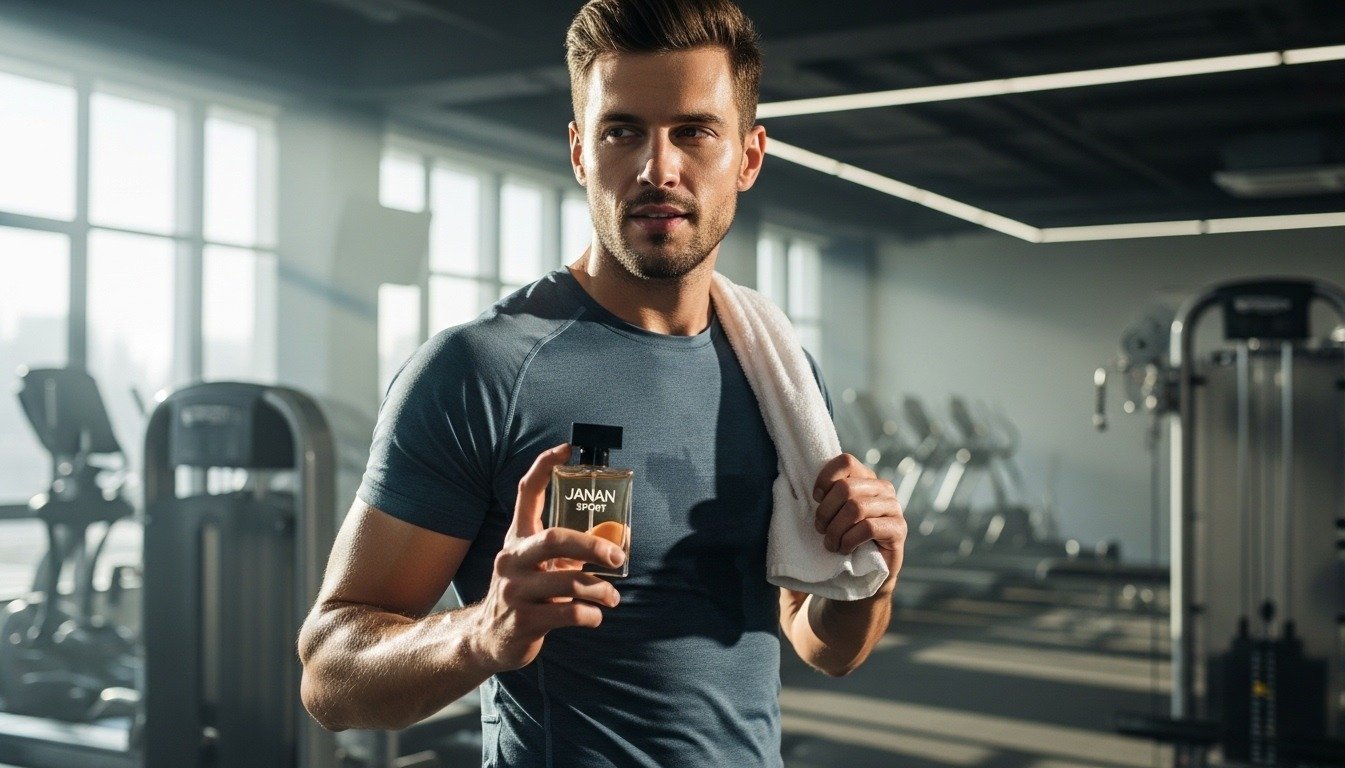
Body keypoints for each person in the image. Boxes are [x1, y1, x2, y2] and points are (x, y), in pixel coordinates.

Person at [297, 0, 907, 765]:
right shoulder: (481, 370)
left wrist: (871, 572)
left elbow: (822, 644)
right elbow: (330, 676)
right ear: (582, 151)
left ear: (748, 158)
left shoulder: (774, 365)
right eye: (623, 131)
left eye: (693, 131)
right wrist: (483, 632)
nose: (659, 168)